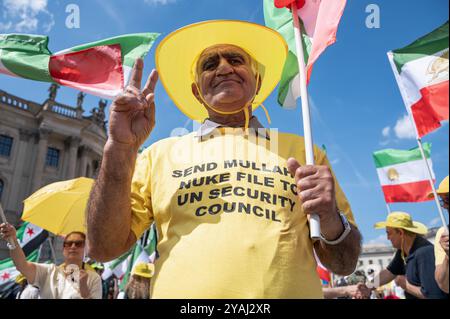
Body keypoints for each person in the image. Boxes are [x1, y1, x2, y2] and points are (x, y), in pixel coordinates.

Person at [86, 20, 362, 298]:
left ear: (258, 83)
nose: (223, 68)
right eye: (209, 64)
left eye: (235, 60)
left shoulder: (306, 152)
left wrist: (329, 219)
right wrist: (119, 147)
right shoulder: (159, 154)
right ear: (197, 92)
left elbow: (344, 263)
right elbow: (103, 247)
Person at [0, 227, 102, 299]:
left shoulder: (93, 278)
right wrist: (13, 240)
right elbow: (22, 265)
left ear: (85, 248)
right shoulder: (49, 271)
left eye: (79, 243)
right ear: (63, 249)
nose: (73, 246)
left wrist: (85, 291)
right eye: (68, 243)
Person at [368, 212, 448, 299]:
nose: (387, 238)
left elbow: (434, 295)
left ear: (401, 233)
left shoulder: (424, 253)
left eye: (389, 233)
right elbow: (389, 272)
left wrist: (405, 285)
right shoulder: (403, 251)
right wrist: (368, 287)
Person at [431, 176, 449, 293]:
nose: (444, 206)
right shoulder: (444, 233)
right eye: (442, 201)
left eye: (447, 199)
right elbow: (444, 286)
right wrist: (447, 256)